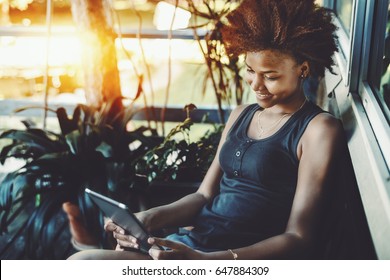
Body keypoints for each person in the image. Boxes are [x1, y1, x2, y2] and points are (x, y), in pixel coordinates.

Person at [68, 0, 343, 260]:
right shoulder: (241, 115)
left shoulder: (318, 129)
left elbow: (299, 236)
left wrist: (208, 262)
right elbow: (204, 196)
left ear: (303, 70)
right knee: (82, 263)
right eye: (249, 70)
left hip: (229, 261)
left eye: (270, 76)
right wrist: (146, 220)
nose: (256, 84)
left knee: (83, 264)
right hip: (189, 246)